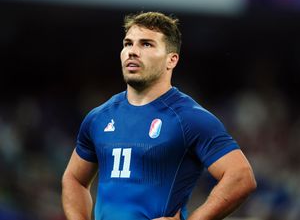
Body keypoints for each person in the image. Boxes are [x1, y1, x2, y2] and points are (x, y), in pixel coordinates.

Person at [61, 11, 256, 220]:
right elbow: (74, 179)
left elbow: (241, 177)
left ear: (171, 60)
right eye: (128, 43)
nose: (132, 52)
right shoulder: (98, 117)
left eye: (146, 44)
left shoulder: (189, 118)